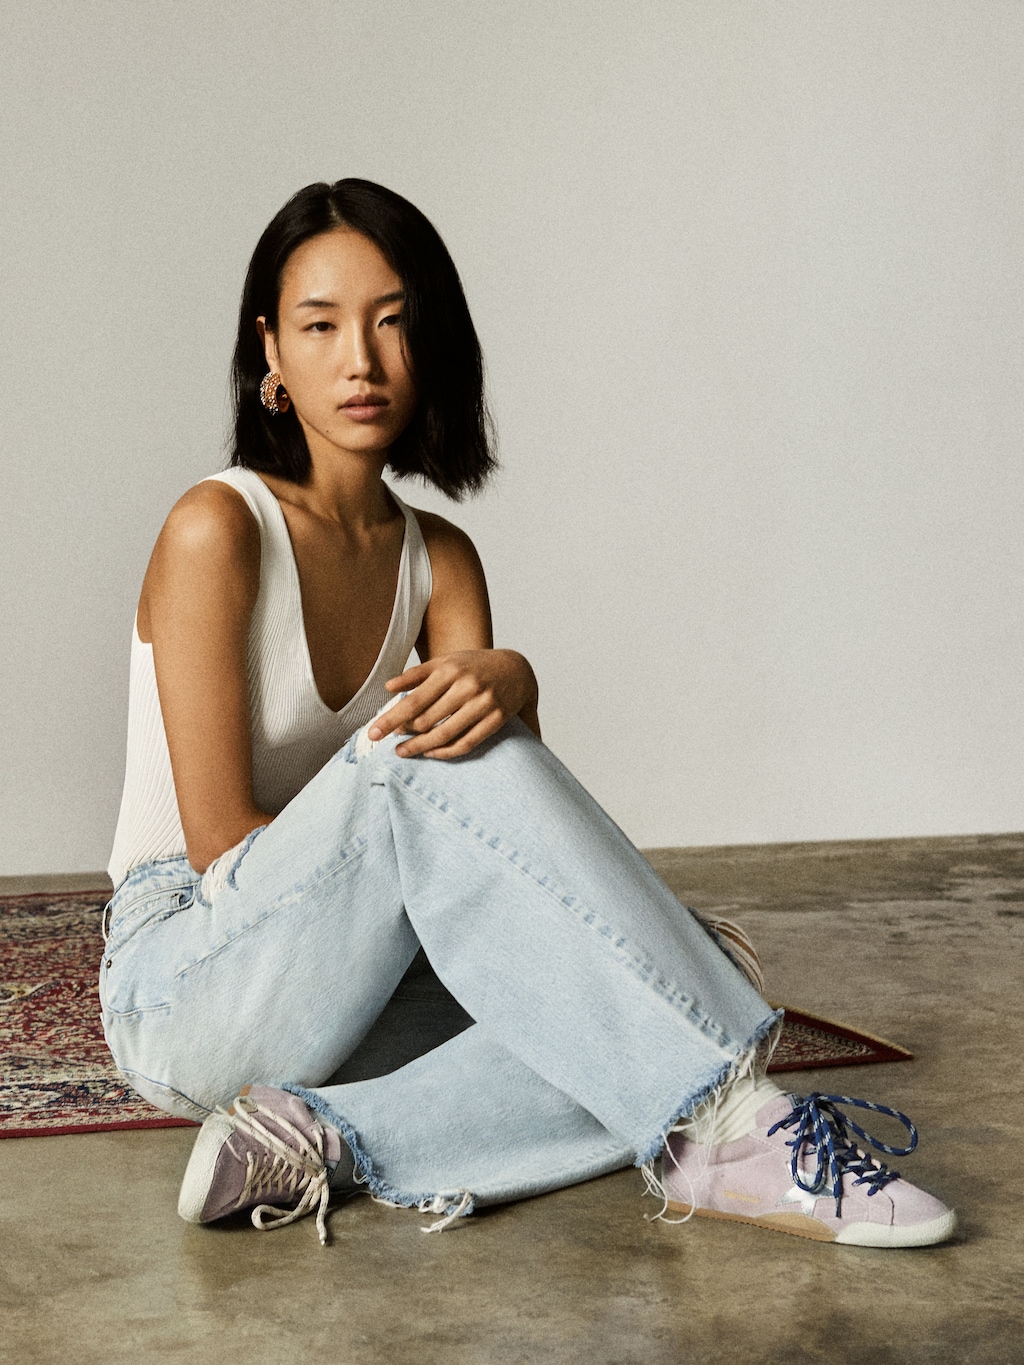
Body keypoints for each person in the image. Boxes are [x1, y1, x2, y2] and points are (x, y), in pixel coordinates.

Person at [100, 179, 956, 1250]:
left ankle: (320, 1139)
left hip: (345, 975)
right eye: (320, 326)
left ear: (434, 343)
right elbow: (225, 843)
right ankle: (733, 1133)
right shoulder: (215, 528)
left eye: (393, 321)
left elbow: (509, 849)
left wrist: (515, 685)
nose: (360, 360)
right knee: (446, 790)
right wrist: (413, 801)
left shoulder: (439, 557)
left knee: (697, 967)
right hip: (189, 978)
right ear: (269, 352)